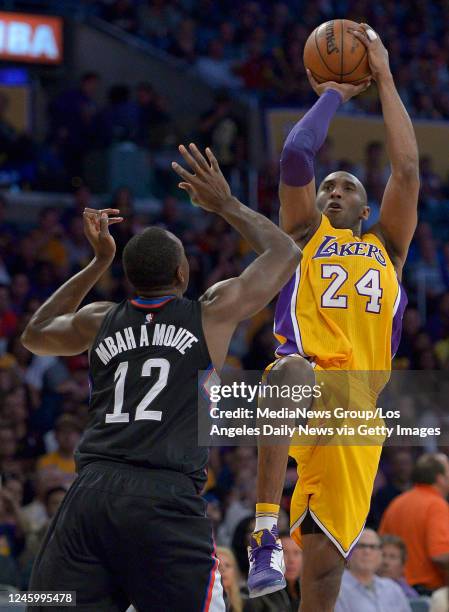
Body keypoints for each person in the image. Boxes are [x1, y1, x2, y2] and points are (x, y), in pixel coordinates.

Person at [21, 144, 300, 611]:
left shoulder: (99, 318)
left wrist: (95, 263)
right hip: (165, 500)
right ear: (182, 271)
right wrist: (226, 203)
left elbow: (35, 335)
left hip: (91, 494)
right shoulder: (209, 314)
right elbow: (285, 252)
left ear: (129, 275)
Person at [247, 22, 420, 612]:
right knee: (290, 371)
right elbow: (297, 152)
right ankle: (264, 532)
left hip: (358, 413)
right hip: (309, 382)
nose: (335, 193)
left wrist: (387, 75)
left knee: (323, 576)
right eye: (328, 188)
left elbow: (408, 171)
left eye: (347, 187)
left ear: (368, 206)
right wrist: (337, 94)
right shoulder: (301, 234)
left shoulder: (389, 247)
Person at [379, 453, 449, 595]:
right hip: (426, 593)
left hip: (394, 589)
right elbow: (440, 555)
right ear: (440, 479)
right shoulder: (436, 505)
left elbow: (381, 544)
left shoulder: (397, 502)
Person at [334, 529, 411, 612]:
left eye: (373, 547)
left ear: (380, 554)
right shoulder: (336, 589)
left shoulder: (393, 589)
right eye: (361, 546)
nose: (367, 551)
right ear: (349, 552)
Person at [379, 534, 418, 599]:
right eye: (382, 555)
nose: (386, 562)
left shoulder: (408, 595)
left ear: (402, 566)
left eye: (392, 557)